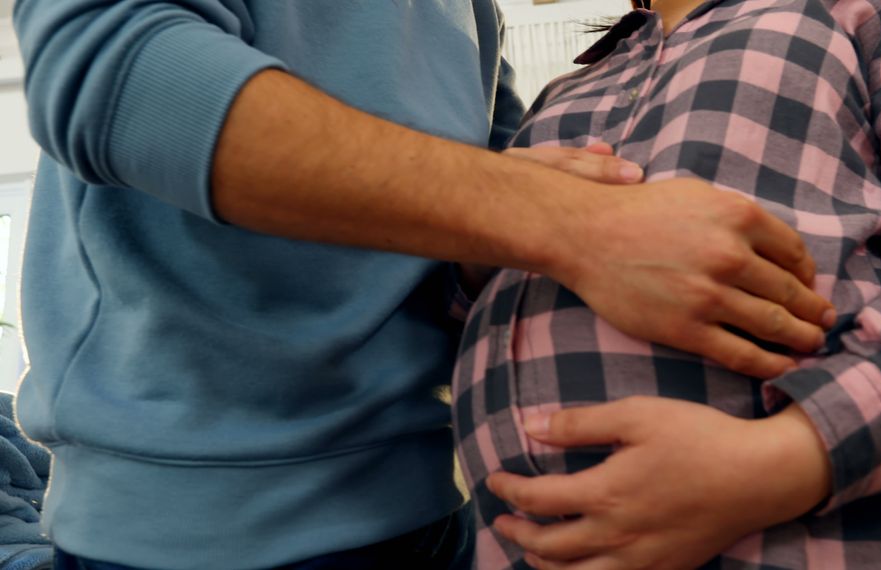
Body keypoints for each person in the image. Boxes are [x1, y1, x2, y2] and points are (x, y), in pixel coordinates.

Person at [11, 1, 836, 568]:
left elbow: (474, 211)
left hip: (444, 509)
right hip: (204, 526)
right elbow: (115, 71)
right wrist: (566, 221)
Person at [453, 0, 881, 568]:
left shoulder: (870, 12)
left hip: (851, 543)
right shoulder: (565, 91)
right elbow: (463, 314)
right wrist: (487, 243)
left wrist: (794, 454)